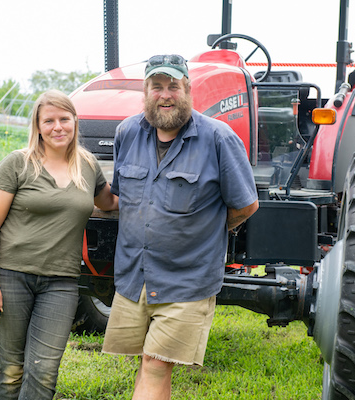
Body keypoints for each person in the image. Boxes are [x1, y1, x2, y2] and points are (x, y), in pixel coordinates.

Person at [101, 54, 259, 399]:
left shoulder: (218, 138)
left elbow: (246, 204)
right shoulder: (127, 133)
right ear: (146, 91)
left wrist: (205, 229)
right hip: (135, 277)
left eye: (173, 85)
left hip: (187, 279)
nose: (165, 94)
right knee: (150, 363)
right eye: (157, 86)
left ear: (187, 88)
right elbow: (121, 197)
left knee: (156, 365)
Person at [0, 89, 118, 400]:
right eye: (49, 120)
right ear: (38, 126)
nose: (58, 127)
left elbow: (108, 201)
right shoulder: (18, 164)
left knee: (43, 372)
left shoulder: (88, 166)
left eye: (64, 119)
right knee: (11, 370)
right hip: (10, 276)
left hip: (61, 282)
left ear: (75, 122)